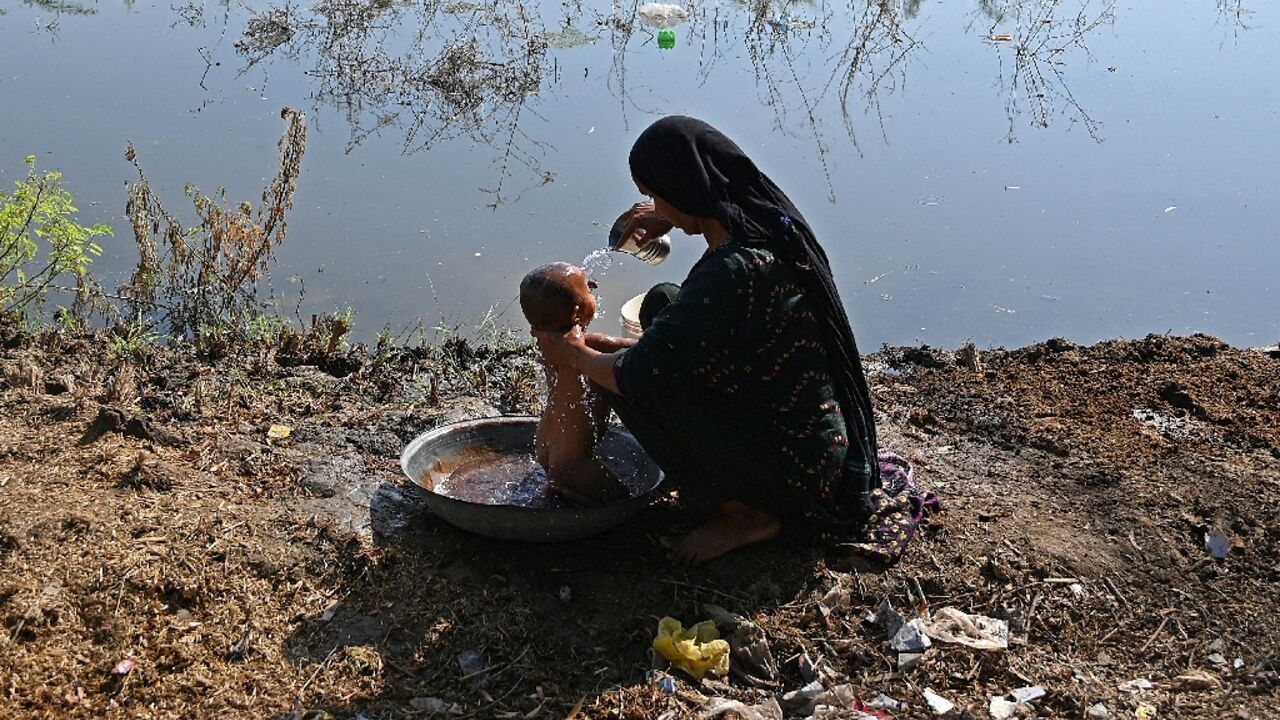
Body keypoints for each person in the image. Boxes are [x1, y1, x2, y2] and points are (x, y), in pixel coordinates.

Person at [532, 116, 882, 565]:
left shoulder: (734, 272)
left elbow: (638, 374)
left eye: (656, 194)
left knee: (638, 375)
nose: (652, 205)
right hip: (803, 436)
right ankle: (723, 481)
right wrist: (669, 215)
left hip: (795, 472)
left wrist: (572, 354)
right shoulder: (757, 224)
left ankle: (746, 513)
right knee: (662, 301)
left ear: (685, 190)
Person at [518, 263, 629, 506]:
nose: (593, 287)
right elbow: (642, 352)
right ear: (577, 314)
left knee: (571, 486)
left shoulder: (547, 348)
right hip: (574, 462)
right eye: (587, 289)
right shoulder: (593, 347)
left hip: (545, 447)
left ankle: (562, 488)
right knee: (622, 499)